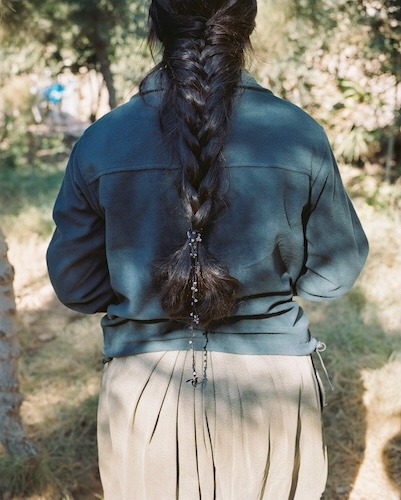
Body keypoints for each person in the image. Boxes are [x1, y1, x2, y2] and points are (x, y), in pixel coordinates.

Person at [46, 0, 369, 498]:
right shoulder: (300, 135)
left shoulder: (100, 142)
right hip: (275, 392)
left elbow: (77, 286)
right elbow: (334, 275)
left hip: (144, 392)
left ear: (156, 26)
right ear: (247, 26)